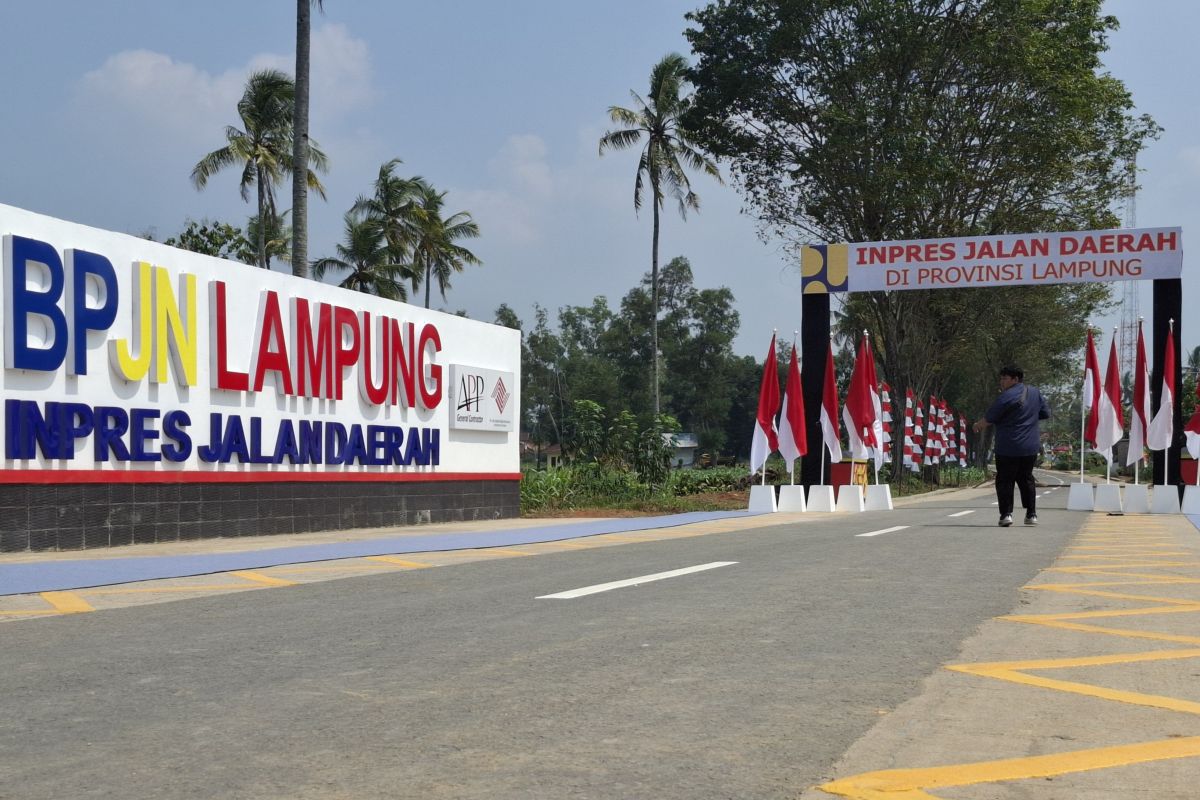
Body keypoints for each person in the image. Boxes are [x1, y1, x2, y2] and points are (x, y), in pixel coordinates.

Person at [973, 366, 1051, 527]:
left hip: (1008, 446)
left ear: (1015, 379)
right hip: (1030, 446)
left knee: (1005, 480)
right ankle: (1031, 514)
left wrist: (976, 426)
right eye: (1001, 378)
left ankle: (1006, 514)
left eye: (1005, 378)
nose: (1001, 382)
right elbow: (1045, 413)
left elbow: (989, 418)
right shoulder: (1035, 392)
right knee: (1026, 479)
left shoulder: (1006, 396)